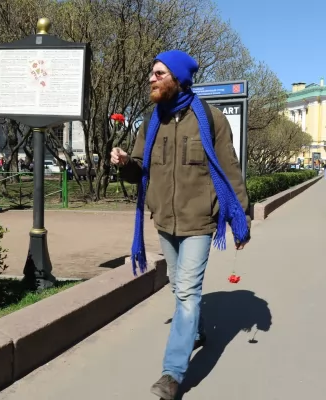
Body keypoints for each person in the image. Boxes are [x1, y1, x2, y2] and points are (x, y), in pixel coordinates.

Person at [110, 50, 251, 400]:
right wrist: (125, 162)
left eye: (158, 73)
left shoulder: (211, 119)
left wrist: (241, 217)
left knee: (187, 292)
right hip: (164, 220)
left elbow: (230, 169)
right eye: (151, 72)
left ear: (178, 78)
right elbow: (140, 168)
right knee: (178, 285)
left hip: (200, 221)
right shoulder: (151, 122)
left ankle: (172, 374)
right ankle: (197, 330)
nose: (151, 78)